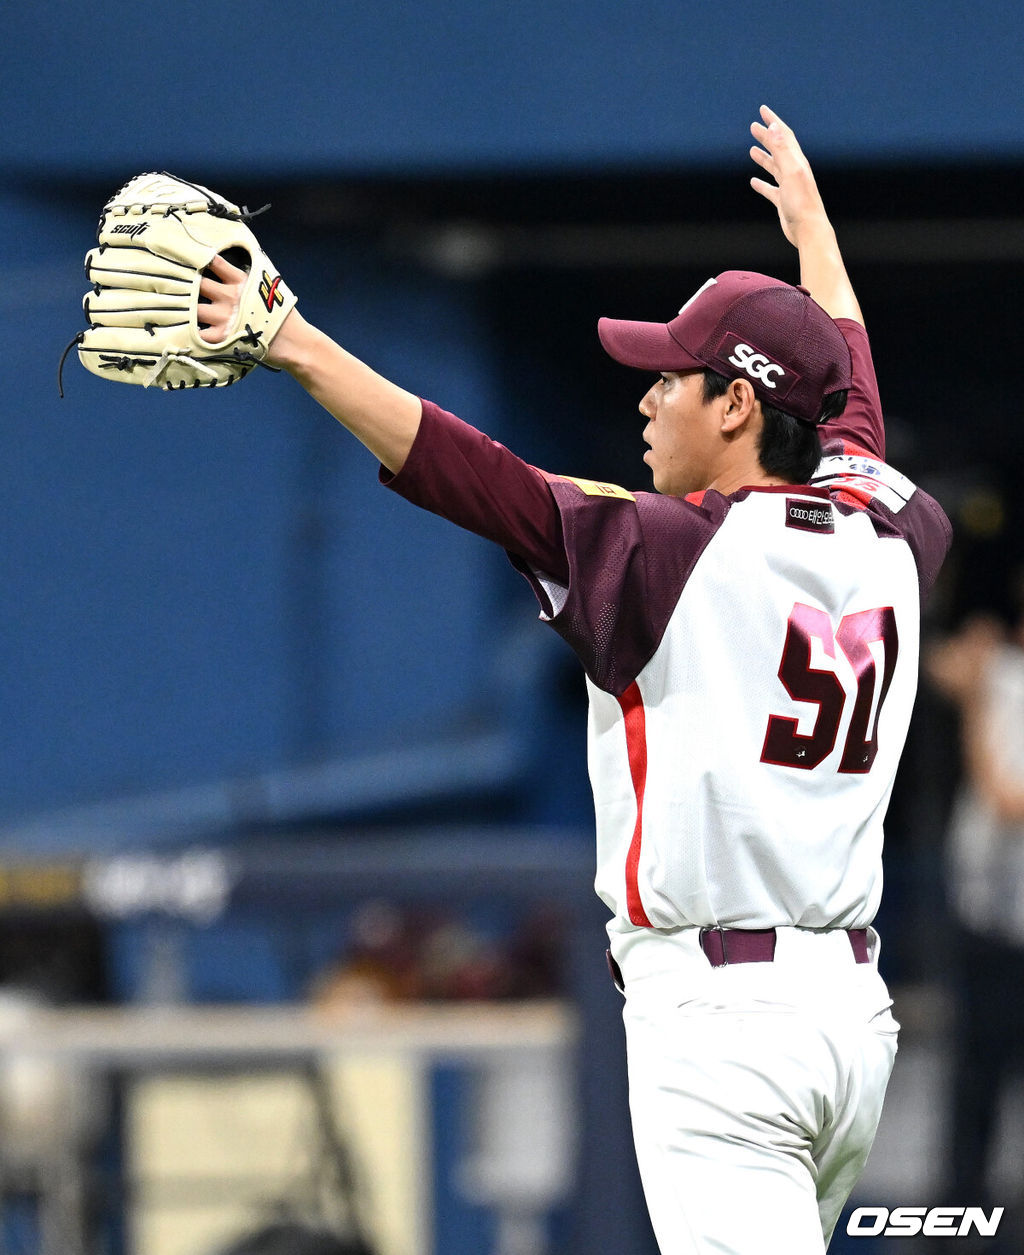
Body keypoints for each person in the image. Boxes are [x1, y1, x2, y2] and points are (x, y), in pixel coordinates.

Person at [198, 107, 952, 1253]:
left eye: (672, 380)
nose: (647, 399)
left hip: (723, 1023)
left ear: (737, 405)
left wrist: (293, 343)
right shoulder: (895, 525)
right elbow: (851, 404)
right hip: (848, 1016)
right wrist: (814, 240)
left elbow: (477, 477)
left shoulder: (673, 549)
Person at [927, 606, 1024, 1212]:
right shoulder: (1008, 673)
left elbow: (1005, 799)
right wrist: (973, 661)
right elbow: (937, 664)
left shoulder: (999, 691)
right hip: (987, 918)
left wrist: (977, 704)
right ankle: (958, 1221)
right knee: (973, 1086)